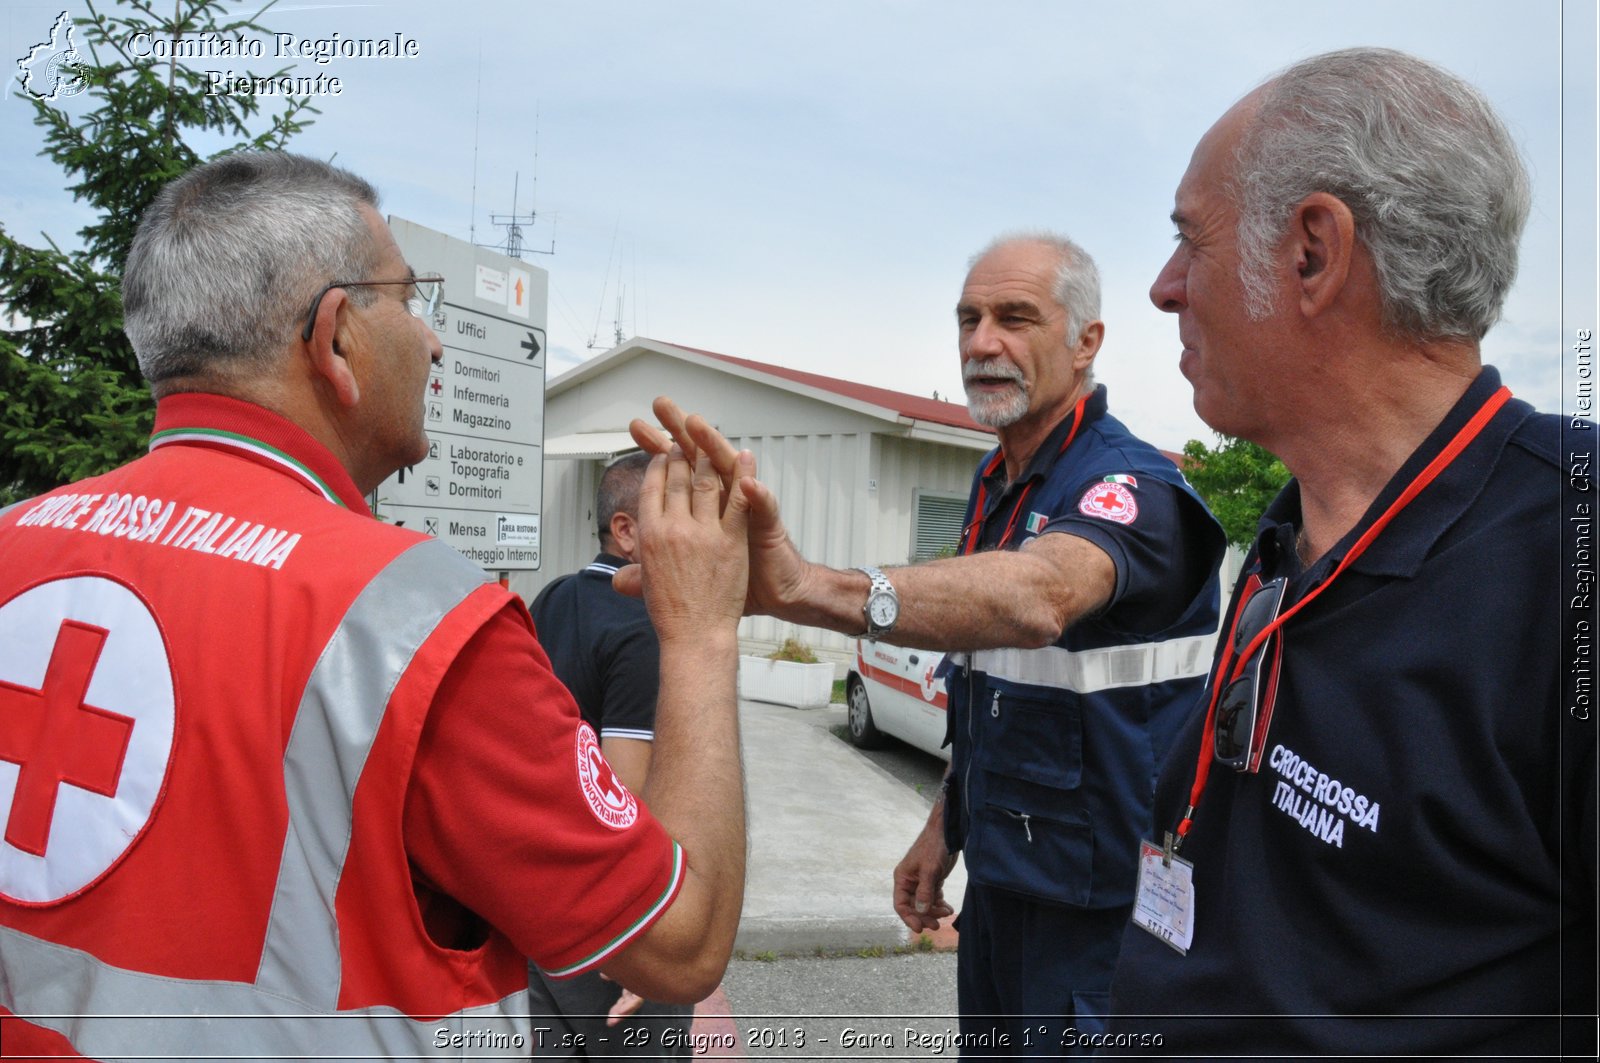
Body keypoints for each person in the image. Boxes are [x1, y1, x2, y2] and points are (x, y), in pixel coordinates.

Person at [0, 152, 752, 1059]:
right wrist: (705, 628)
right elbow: (682, 942)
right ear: (336, 339)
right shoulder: (411, 619)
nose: (434, 341)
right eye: (408, 299)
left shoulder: (15, 544)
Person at [1106, 48, 1598, 1057]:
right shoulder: (1299, 525)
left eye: (1187, 241)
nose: (1162, 289)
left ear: (1311, 254)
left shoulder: (1569, 556)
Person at [633, 233, 1226, 1054]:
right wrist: (944, 826)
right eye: (969, 319)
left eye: (1015, 317)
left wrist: (814, 588)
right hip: (1006, 888)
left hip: (1105, 919)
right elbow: (996, 683)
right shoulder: (1000, 483)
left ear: (1086, 340)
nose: (982, 342)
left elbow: (1039, 598)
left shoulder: (1134, 486)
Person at [528, 450, 695, 1058]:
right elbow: (626, 799)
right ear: (625, 531)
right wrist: (638, 943)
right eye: (678, 514)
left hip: (542, 910)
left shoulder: (550, 598)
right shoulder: (644, 624)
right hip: (613, 933)